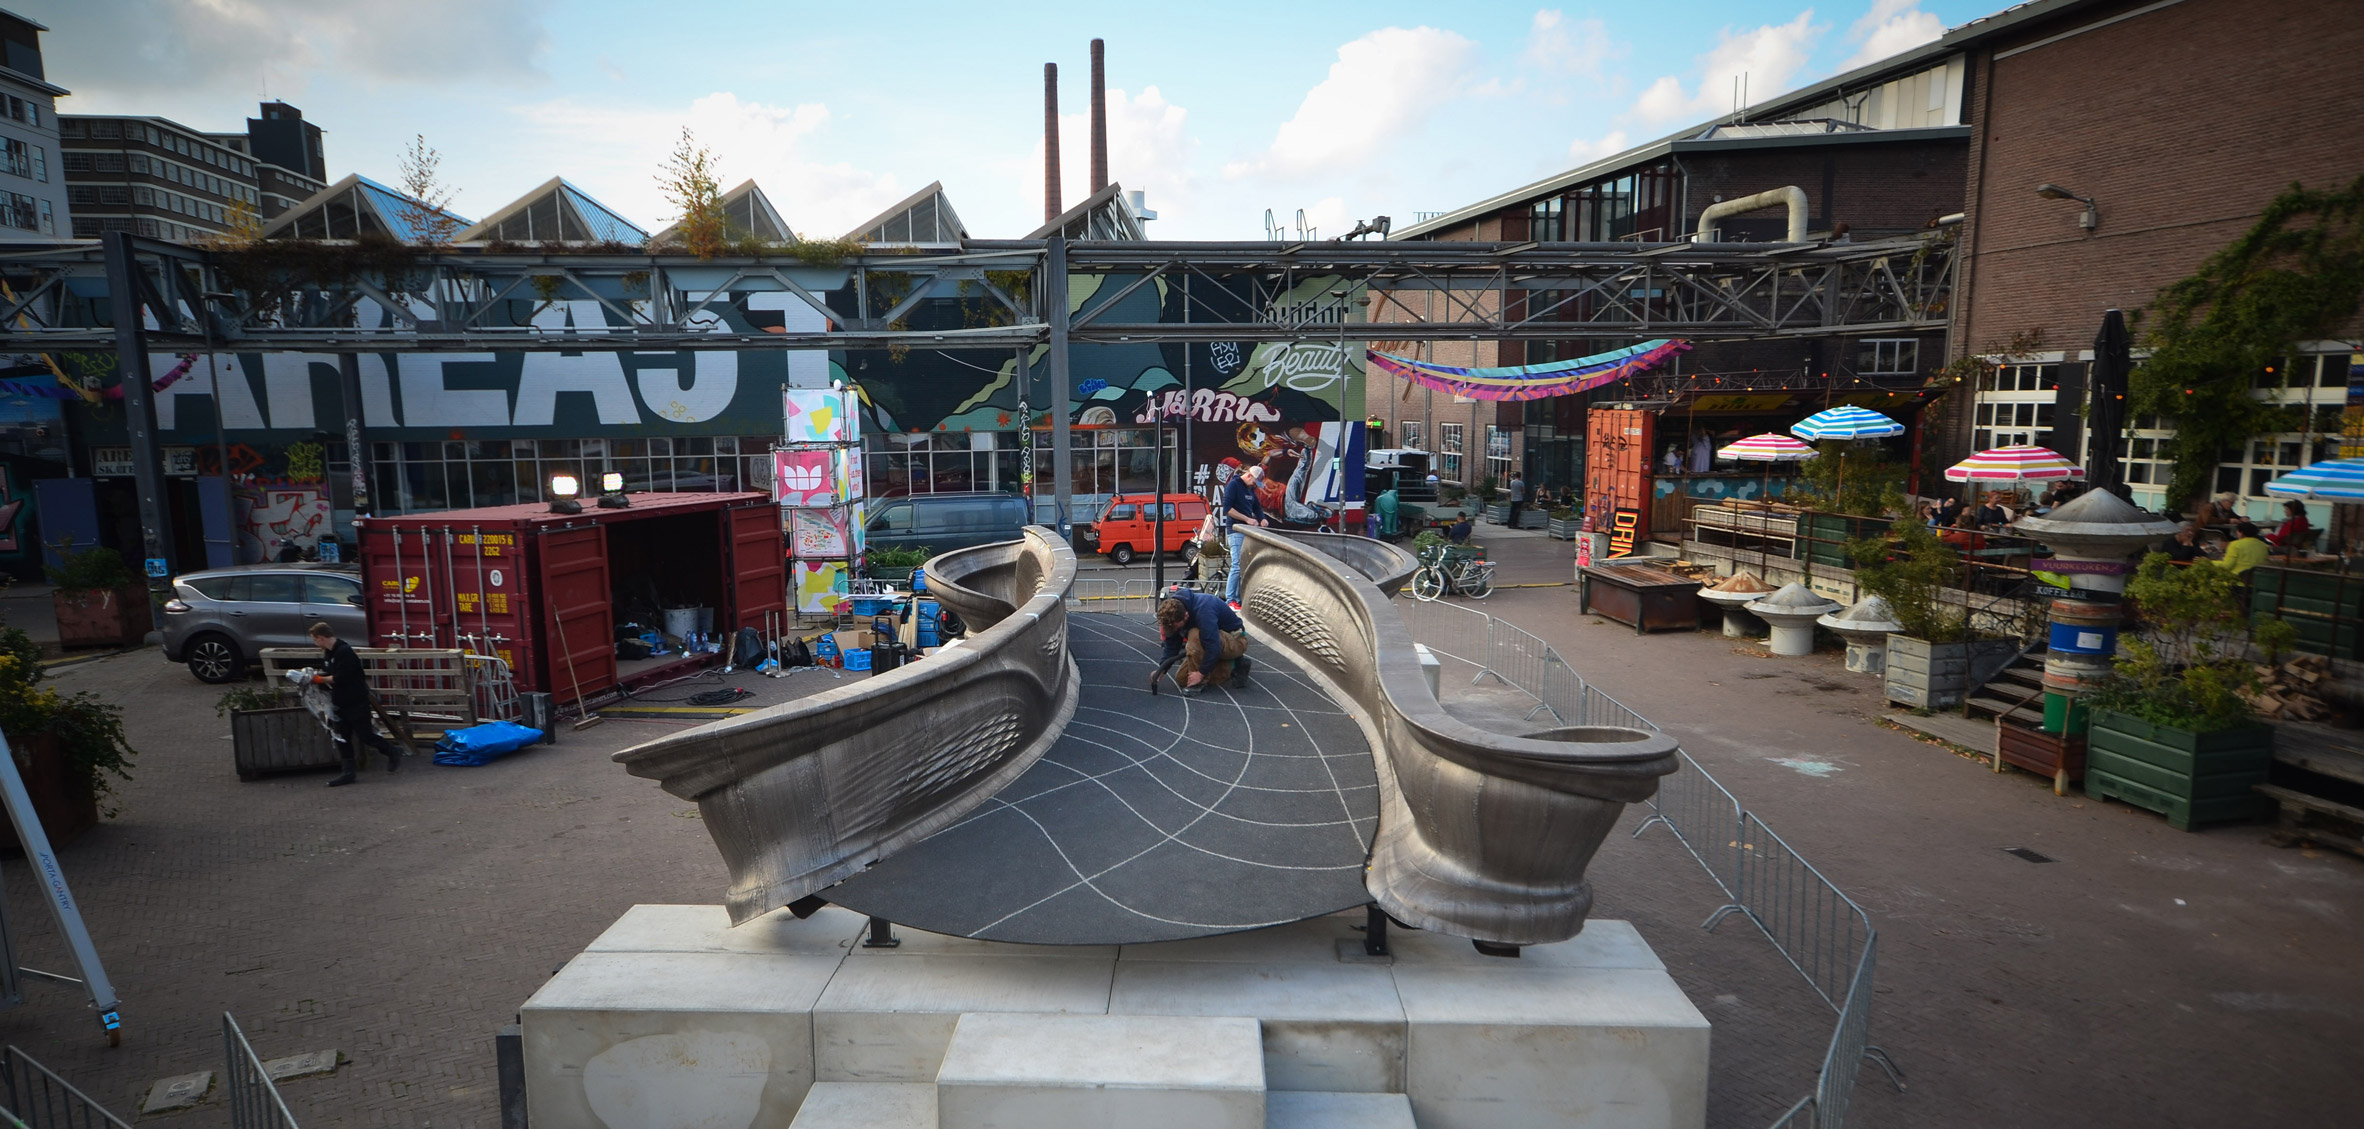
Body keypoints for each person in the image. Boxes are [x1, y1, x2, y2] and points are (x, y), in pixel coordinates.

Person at [300, 621, 404, 786]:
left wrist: (319, 679)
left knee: (365, 734)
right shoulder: (328, 653)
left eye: (315, 640)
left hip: (355, 700)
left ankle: (392, 751)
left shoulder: (344, 652)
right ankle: (348, 772)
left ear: (320, 638)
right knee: (341, 737)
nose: (315, 643)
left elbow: (341, 677)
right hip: (339, 701)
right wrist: (314, 678)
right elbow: (330, 673)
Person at [1153, 588, 1250, 693]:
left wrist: (1201, 674)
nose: (1175, 630)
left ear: (1186, 616)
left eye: (1176, 627)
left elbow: (1213, 647)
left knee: (1194, 634)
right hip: (1213, 642)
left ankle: (1200, 683)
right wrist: (1161, 670)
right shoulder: (1175, 615)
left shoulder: (1204, 611)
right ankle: (1232, 666)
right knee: (1182, 679)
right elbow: (1172, 645)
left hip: (1236, 640)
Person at [1222, 463, 1267, 608]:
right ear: (1248, 475)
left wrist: (1262, 519)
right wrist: (1247, 519)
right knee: (1236, 565)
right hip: (1235, 530)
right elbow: (1227, 509)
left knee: (1242, 566)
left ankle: (1238, 599)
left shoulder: (1250, 490)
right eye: (1254, 481)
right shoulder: (1233, 485)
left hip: (1245, 531)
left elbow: (1257, 507)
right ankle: (1230, 600)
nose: (1255, 485)